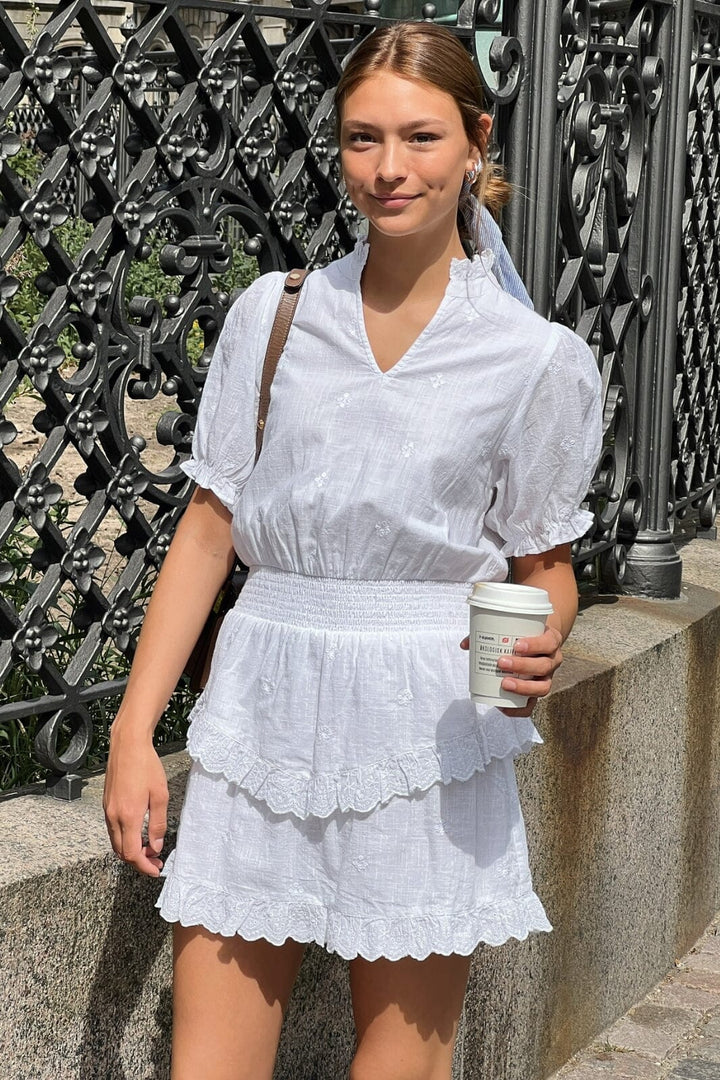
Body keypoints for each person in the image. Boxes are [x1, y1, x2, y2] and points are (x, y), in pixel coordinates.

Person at [103, 21, 602, 1080]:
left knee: (400, 1066)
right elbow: (209, 532)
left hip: (430, 719)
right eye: (362, 138)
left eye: (420, 138)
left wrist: (540, 645)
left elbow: (544, 570)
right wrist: (134, 731)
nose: (388, 168)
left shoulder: (534, 359)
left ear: (476, 141)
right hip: (261, 703)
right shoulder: (276, 314)